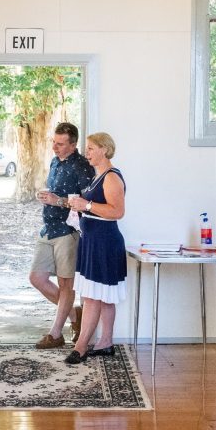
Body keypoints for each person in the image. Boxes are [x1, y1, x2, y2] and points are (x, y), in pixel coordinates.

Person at [65, 133, 127, 364]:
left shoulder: (111, 178)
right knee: (104, 296)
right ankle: (106, 343)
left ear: (104, 149)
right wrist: (77, 206)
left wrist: (87, 204)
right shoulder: (97, 176)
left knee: (92, 296)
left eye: (90, 148)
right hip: (93, 240)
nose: (87, 153)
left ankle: (81, 347)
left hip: (104, 242)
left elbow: (117, 212)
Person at [32, 122, 95, 349]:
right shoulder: (55, 161)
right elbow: (57, 193)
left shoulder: (83, 167)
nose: (55, 148)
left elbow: (87, 204)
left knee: (66, 284)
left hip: (68, 232)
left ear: (73, 144)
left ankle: (55, 333)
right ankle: (75, 316)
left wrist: (57, 201)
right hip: (48, 228)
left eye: (60, 144)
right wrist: (47, 196)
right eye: (54, 142)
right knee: (36, 278)